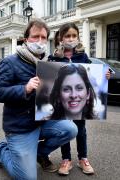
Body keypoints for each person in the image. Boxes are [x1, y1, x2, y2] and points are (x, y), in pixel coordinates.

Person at [0, 19, 78, 180]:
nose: (40, 41)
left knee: (70, 129)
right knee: (27, 178)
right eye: (35, 37)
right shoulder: (10, 62)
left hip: (42, 121)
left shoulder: (48, 64)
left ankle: (38, 154)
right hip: (20, 127)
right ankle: (1, 148)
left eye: (43, 37)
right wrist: (25, 88)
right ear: (25, 39)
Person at [48, 22, 110, 175]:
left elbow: (92, 75)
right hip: (63, 103)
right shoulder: (53, 58)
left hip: (79, 105)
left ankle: (83, 158)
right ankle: (66, 159)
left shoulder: (83, 56)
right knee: (65, 130)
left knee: (81, 130)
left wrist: (104, 76)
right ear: (60, 39)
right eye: (67, 36)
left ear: (78, 37)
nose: (71, 39)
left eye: (74, 35)